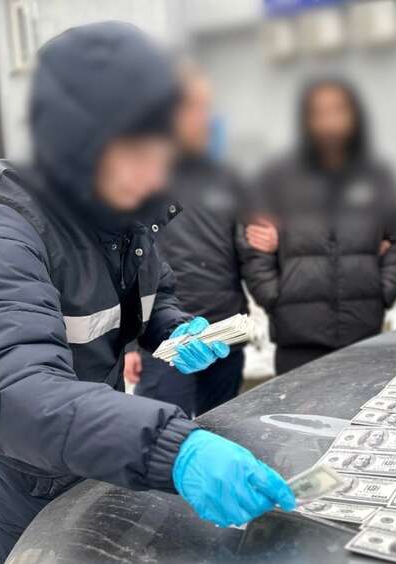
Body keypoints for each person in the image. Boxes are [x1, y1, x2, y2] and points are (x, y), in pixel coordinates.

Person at [0, 23, 295, 564]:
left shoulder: (121, 211)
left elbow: (148, 297)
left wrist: (174, 328)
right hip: (18, 484)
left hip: (95, 451)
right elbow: (10, 390)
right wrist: (170, 449)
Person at [241, 77, 396, 374]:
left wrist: (383, 290)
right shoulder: (278, 177)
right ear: (306, 120)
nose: (329, 122)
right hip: (298, 339)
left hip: (362, 333)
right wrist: (274, 295)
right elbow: (251, 240)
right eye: (319, 113)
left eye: (338, 110)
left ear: (354, 116)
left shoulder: (377, 176)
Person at [123, 64, 248, 416]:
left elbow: (248, 249)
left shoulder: (227, 177)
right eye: (191, 108)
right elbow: (125, 263)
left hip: (223, 333)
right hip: (165, 339)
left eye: (206, 107)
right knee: (162, 434)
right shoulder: (142, 177)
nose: (202, 118)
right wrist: (129, 345)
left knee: (223, 428)